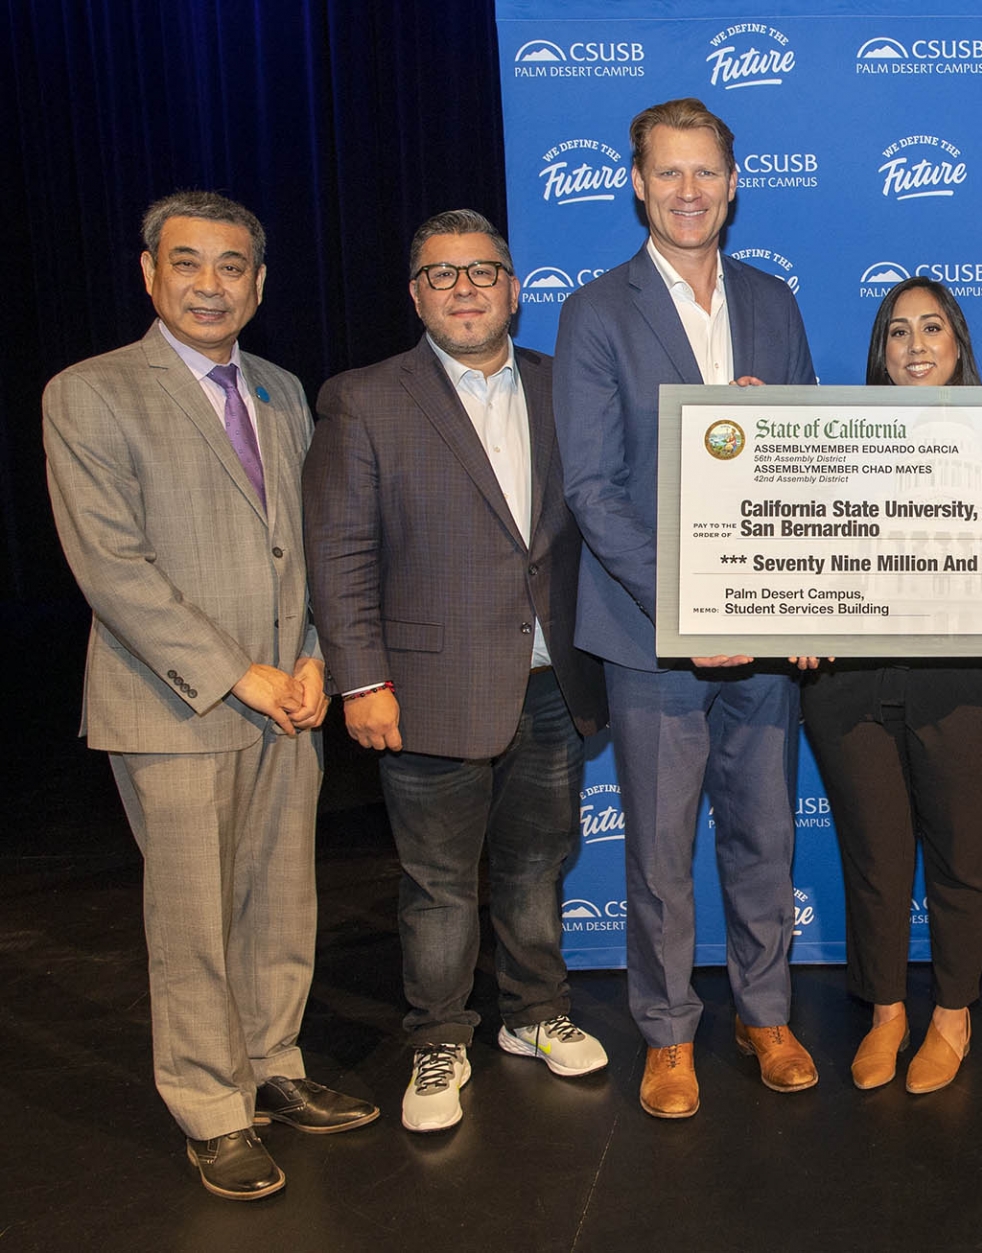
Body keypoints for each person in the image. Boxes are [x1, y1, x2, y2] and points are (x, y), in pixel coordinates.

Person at [42, 191, 378, 1200]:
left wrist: (316, 652)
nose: (210, 284)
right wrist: (241, 671)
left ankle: (273, 1062)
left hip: (289, 699)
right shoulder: (89, 393)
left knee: (281, 897)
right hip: (175, 703)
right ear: (150, 274)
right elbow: (113, 568)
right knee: (191, 917)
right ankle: (211, 1107)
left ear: (260, 284)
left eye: (232, 266)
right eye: (187, 263)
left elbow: (313, 545)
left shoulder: (279, 387)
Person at [304, 210, 612, 1134]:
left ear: (516, 289)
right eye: (443, 275)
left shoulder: (568, 387)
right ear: (415, 294)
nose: (466, 288)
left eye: (484, 271)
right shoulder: (363, 397)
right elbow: (340, 551)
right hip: (425, 687)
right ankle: (439, 1035)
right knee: (438, 882)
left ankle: (532, 1013)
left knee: (536, 865)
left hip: (554, 679)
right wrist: (360, 680)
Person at [554, 97, 819, 1120]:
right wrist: (693, 608)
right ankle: (668, 1033)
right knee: (661, 849)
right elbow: (593, 488)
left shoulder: (773, 301)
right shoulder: (595, 310)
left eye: (706, 172)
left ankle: (765, 1012)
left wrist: (788, 596)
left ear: (734, 181)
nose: (689, 192)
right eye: (669, 173)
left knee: (764, 835)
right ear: (636, 182)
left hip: (767, 633)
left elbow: (804, 467)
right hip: (652, 630)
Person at [801, 278, 982, 1094]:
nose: (916, 344)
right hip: (849, 683)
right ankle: (887, 1009)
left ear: (959, 342)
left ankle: (954, 1013)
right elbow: (799, 544)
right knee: (876, 856)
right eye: (898, 332)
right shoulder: (832, 439)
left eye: (933, 327)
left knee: (963, 856)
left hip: (969, 683)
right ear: (880, 351)